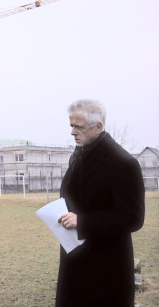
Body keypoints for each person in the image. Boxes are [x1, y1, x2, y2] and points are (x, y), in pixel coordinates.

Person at [56, 99, 145, 307]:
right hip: (75, 259)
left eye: (79, 127)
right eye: (71, 126)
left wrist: (83, 222)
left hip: (106, 268)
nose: (72, 132)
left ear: (98, 127)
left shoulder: (123, 163)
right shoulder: (78, 155)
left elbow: (133, 218)